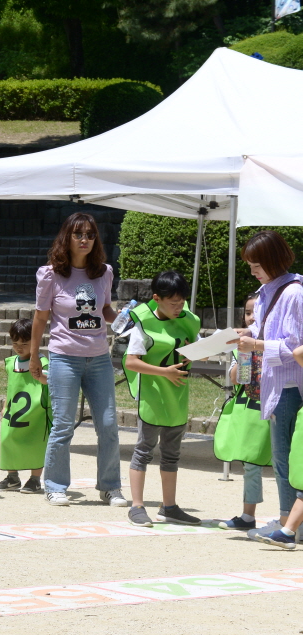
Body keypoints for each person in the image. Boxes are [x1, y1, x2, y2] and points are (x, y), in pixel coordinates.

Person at [31, 212, 122, 507]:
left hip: (98, 359)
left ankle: (110, 487)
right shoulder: (50, 274)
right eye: (78, 234)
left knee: (108, 423)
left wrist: (121, 317)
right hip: (64, 357)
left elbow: (105, 310)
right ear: (66, 238)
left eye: (90, 235)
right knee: (63, 424)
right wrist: (34, 356)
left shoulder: (104, 272)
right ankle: (55, 485)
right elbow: (41, 317)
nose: (85, 240)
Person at [234, 231, 303, 549]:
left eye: (256, 264)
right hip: (273, 384)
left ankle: (289, 522)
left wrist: (255, 343)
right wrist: (246, 333)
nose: (252, 270)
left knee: (288, 459)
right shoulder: (267, 291)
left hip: (289, 385)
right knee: (282, 458)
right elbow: (263, 329)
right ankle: (287, 520)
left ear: (274, 260)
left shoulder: (294, 293)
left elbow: (296, 347)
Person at [122, 270, 201, 526]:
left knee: (171, 455)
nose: (179, 308)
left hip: (177, 398)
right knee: (143, 451)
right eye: (173, 303)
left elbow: (193, 348)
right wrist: (163, 372)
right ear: (157, 298)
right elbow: (132, 362)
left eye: (181, 303)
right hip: (154, 398)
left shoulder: (186, 320)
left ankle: (169, 507)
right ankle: (137, 506)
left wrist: (192, 355)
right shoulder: (143, 324)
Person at [214, 292, 271, 530]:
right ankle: (248, 515)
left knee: (284, 465)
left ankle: (291, 518)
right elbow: (237, 378)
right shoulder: (242, 346)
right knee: (251, 462)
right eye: (247, 312)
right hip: (251, 410)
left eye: (255, 312)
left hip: (277, 407)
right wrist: (244, 354)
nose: (250, 317)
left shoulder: (275, 340)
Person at [0, 318, 49, 493]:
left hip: (37, 413)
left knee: (36, 444)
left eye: (25, 343)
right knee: (7, 440)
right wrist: (5, 406)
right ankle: (12, 477)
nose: (19, 346)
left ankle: (35, 479)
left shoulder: (43, 362)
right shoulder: (11, 362)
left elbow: (50, 382)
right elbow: (11, 387)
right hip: (14, 413)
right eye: (15, 342)